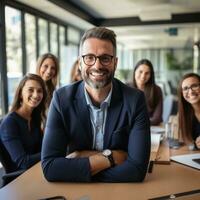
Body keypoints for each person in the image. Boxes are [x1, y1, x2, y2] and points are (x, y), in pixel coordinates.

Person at [41, 27, 150, 183]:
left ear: (115, 62)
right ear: (80, 62)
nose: (97, 66)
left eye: (105, 58)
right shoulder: (61, 99)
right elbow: (50, 167)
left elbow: (137, 171)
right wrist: (111, 157)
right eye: (89, 58)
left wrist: (78, 168)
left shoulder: (135, 100)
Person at [0, 73, 47, 171]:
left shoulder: (34, 119)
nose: (36, 95)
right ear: (21, 93)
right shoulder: (9, 123)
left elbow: (41, 148)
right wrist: (51, 151)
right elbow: (23, 162)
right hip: (17, 180)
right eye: (30, 90)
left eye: (39, 91)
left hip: (35, 171)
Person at [132, 59, 163, 125]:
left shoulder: (156, 90)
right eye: (140, 72)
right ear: (135, 71)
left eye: (147, 73)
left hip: (150, 128)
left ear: (151, 75)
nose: (143, 76)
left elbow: (157, 118)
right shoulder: (125, 88)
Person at [177, 73, 200, 149]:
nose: (190, 91)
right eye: (185, 88)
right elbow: (188, 141)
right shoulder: (185, 113)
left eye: (194, 86)